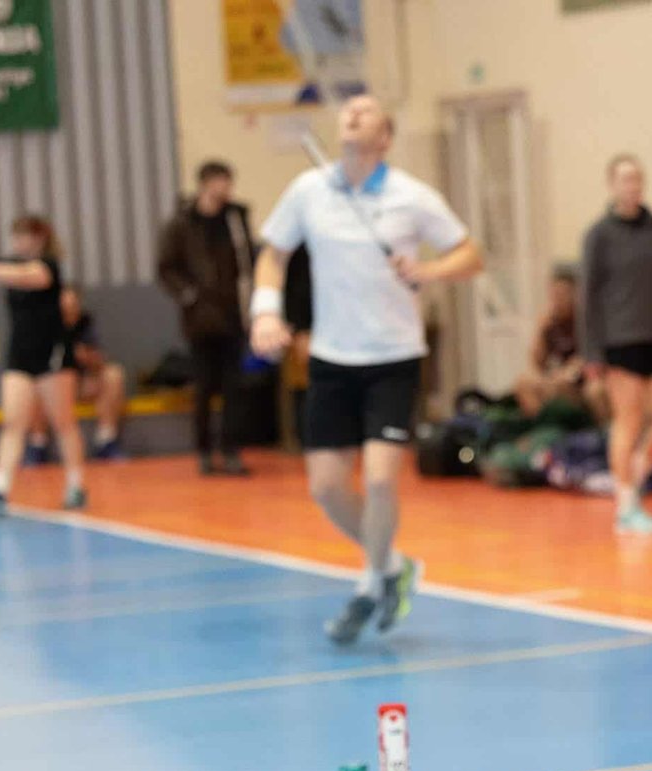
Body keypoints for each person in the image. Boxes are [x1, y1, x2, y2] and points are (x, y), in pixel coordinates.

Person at [250, 95, 483, 643]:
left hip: (393, 357)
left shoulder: (412, 196)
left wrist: (427, 271)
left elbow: (470, 255)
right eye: (348, 110)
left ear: (385, 137)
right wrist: (265, 313)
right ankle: (392, 566)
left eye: (366, 111)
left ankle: (370, 584)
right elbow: (273, 254)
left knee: (379, 479)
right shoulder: (309, 190)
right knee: (327, 488)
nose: (352, 114)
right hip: (332, 358)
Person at [580, 154, 652, 535]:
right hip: (620, 340)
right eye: (624, 179)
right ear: (612, 185)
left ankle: (635, 472)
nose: (632, 186)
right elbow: (588, 296)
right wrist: (591, 352)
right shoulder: (599, 235)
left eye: (637, 179)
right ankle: (627, 505)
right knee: (629, 420)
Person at [0, 215, 87, 512]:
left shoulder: (48, 267)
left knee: (62, 422)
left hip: (52, 355)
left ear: (40, 238)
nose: (18, 242)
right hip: (19, 355)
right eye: (16, 236)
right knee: (13, 422)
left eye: (24, 236)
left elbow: (26, 276)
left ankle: (75, 485)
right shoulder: (6, 264)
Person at [157, 159, 257, 476]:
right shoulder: (182, 223)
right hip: (200, 318)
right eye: (219, 181)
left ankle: (231, 449)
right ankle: (203, 450)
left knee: (234, 386)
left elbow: (247, 261)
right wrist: (189, 295)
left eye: (228, 181)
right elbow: (166, 267)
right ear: (204, 183)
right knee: (204, 386)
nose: (225, 188)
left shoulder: (236, 219)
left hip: (233, 314)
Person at [24, 287, 127, 462]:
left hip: (80, 385)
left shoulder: (85, 324)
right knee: (32, 385)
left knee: (113, 375)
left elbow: (100, 360)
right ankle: (37, 445)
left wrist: (85, 356)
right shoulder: (44, 327)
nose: (69, 312)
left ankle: (106, 440)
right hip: (53, 388)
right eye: (65, 307)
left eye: (73, 307)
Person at [513, 265, 604, 420]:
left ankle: (599, 430)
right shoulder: (550, 322)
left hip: (586, 378)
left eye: (562, 294)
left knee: (595, 391)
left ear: (575, 294)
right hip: (559, 376)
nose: (557, 299)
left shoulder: (586, 319)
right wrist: (541, 330)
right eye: (554, 294)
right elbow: (537, 363)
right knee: (524, 382)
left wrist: (567, 372)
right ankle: (541, 426)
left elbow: (590, 356)